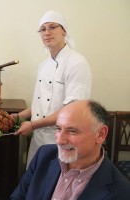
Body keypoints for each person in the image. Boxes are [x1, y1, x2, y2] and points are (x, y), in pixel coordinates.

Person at [12, 10, 92, 166]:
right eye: (43, 29)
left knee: (56, 184)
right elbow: (39, 104)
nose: (47, 32)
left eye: (52, 27)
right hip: (38, 138)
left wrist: (33, 124)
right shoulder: (44, 65)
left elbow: (72, 110)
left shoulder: (77, 63)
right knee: (35, 181)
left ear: (64, 31)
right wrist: (18, 116)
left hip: (64, 139)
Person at [10, 100, 130, 200]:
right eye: (58, 129)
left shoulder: (121, 192)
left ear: (100, 134)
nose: (60, 140)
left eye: (72, 131)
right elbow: (18, 196)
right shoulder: (44, 155)